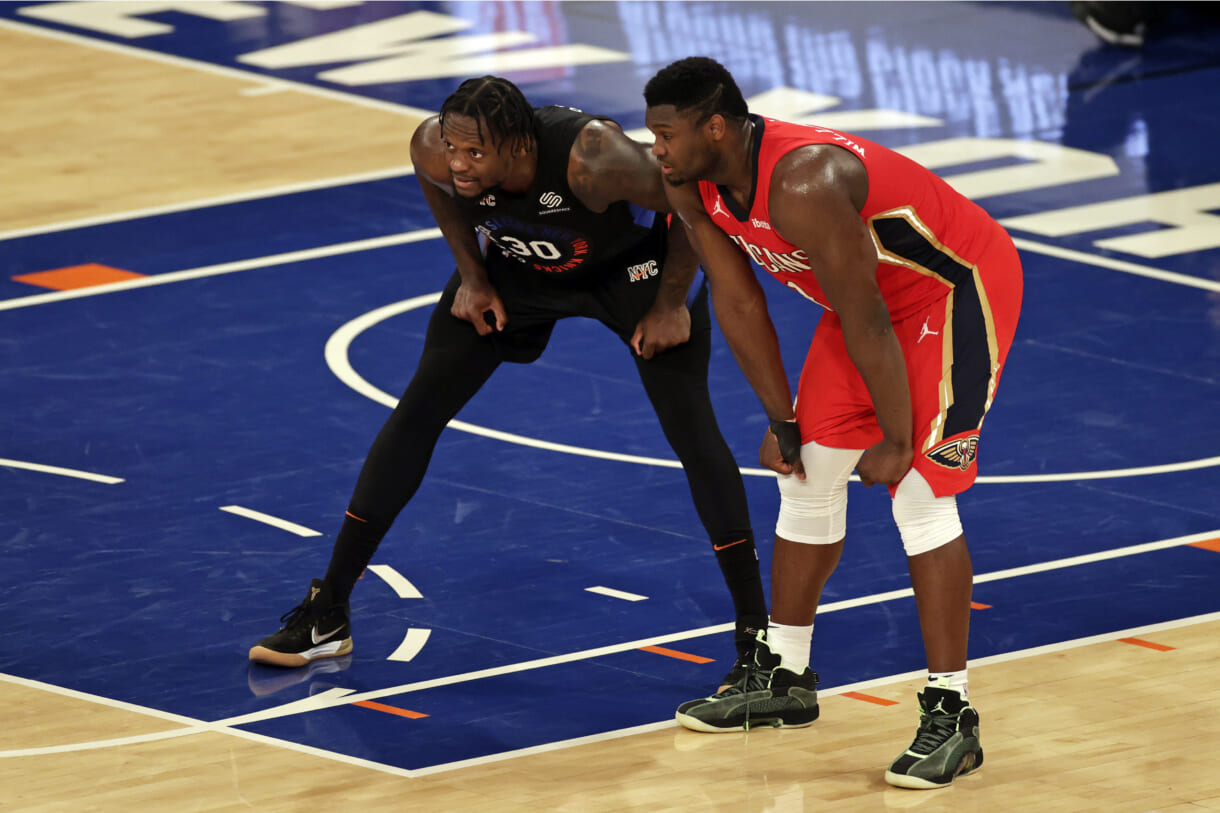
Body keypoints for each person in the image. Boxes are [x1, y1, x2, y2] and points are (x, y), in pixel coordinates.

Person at [249, 76, 768, 693]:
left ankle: (758, 636)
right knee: (416, 411)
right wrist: (471, 275)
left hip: (632, 273)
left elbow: (690, 197)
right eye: (454, 149)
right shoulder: (434, 152)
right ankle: (328, 610)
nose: (459, 165)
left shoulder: (594, 158)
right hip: (521, 266)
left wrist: (672, 302)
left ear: (520, 148)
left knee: (692, 433)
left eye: (476, 153)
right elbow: (439, 187)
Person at [642, 57, 1023, 790]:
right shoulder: (689, 181)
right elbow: (737, 298)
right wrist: (782, 416)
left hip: (951, 294)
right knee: (806, 470)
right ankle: (784, 677)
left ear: (715, 128)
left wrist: (899, 437)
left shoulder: (805, 181)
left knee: (919, 493)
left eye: (665, 132)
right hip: (867, 305)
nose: (655, 147)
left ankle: (953, 712)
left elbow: (867, 316)